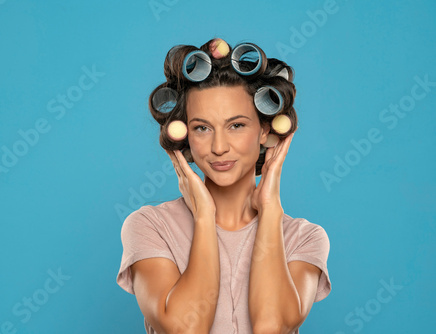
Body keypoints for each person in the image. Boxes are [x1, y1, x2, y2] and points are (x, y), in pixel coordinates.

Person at [116, 38, 332, 334]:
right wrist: (204, 217)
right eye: (202, 128)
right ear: (186, 136)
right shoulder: (150, 227)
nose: (218, 147)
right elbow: (185, 329)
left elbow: (271, 327)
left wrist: (269, 211)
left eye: (236, 125)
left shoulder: (303, 238)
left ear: (264, 129)